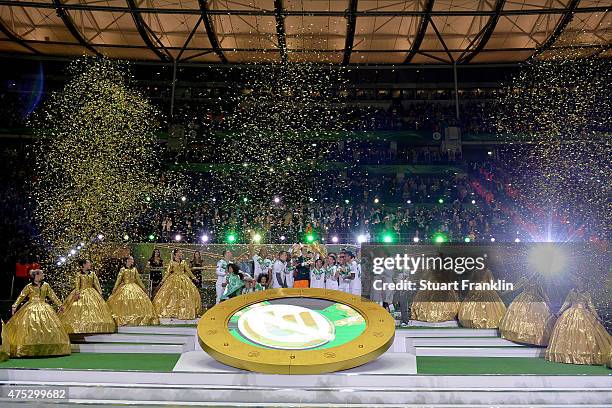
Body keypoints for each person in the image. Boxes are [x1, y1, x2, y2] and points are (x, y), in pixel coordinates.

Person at [6, 269, 71, 357]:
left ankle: (46, 347)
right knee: (31, 327)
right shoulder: (29, 286)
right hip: (31, 307)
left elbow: (52, 295)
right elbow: (21, 296)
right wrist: (14, 306)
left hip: (44, 307)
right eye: (41, 274)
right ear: (36, 275)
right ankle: (30, 347)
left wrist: (60, 305)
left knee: (46, 326)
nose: (43, 275)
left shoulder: (46, 285)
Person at [545, 289, 612, 365]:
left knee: (584, 334)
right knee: (569, 333)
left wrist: (596, 316)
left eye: (580, 280)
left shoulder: (586, 293)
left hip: (584, 315)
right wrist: (560, 312)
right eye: (577, 280)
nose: (578, 282)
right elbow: (566, 303)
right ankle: (567, 355)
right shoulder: (571, 292)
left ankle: (584, 355)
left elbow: (590, 305)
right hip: (570, 314)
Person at [59, 259, 116, 334]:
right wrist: (77, 293)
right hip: (81, 292)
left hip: (92, 292)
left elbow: (96, 283)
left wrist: (100, 293)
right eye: (89, 264)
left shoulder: (92, 273)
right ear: (84, 265)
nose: (90, 265)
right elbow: (77, 284)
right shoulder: (79, 274)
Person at [498, 277, 555, 346]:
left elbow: (542, 293)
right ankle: (521, 335)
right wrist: (504, 292)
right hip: (525, 300)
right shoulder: (524, 279)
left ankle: (531, 336)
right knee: (521, 315)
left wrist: (549, 303)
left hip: (535, 301)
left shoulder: (537, 282)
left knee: (534, 318)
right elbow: (515, 287)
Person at [107, 256, 159, 326]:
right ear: (127, 261)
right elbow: (118, 279)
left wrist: (144, 288)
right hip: (124, 287)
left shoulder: (134, 269)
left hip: (134, 287)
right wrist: (115, 288)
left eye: (133, 259)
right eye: (131, 259)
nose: (132, 261)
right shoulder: (123, 269)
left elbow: (138, 280)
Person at [153, 249, 201, 319]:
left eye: (181, 252)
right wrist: (162, 281)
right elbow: (167, 273)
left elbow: (188, 271)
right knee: (173, 295)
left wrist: (194, 278)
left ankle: (182, 311)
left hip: (183, 279)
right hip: (173, 279)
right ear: (175, 254)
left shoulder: (183, 262)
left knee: (184, 295)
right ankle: (173, 311)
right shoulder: (172, 262)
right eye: (179, 252)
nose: (181, 253)